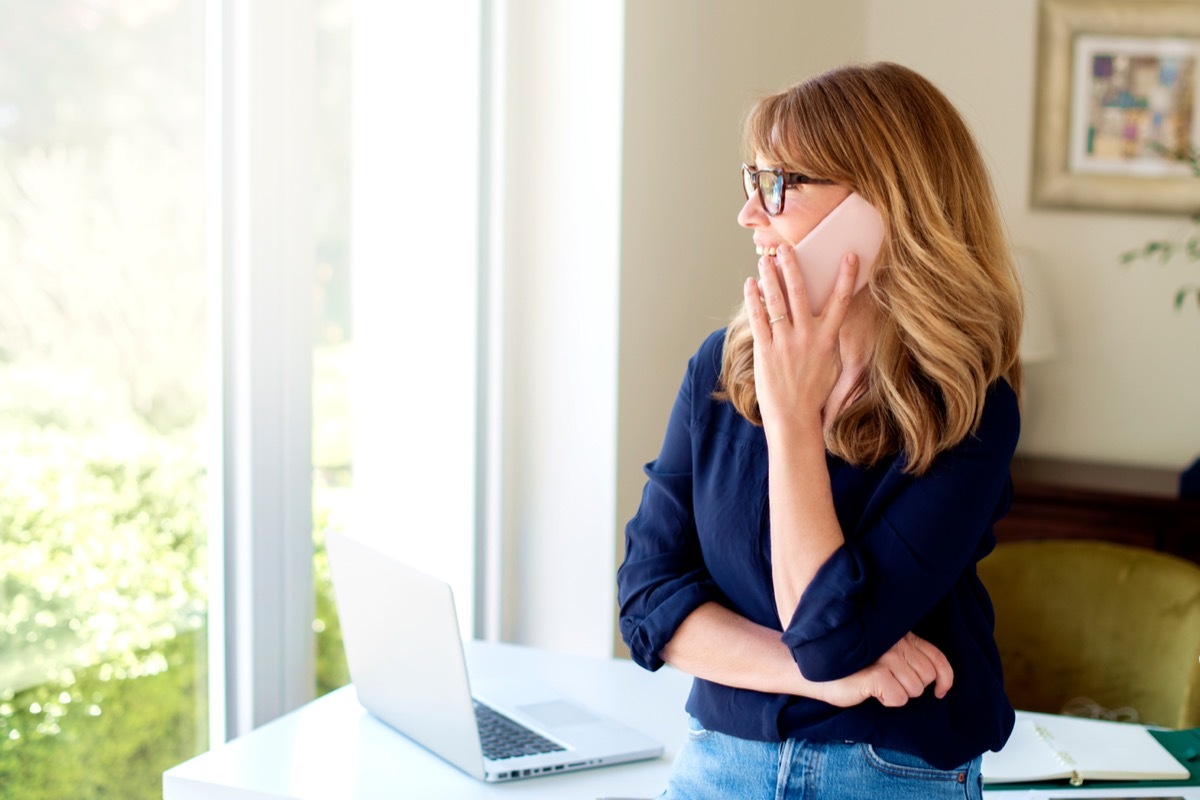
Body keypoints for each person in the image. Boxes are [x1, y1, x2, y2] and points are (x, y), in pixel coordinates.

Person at [616, 61, 1024, 800]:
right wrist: (826, 678)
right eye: (752, 181)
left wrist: (793, 420)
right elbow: (647, 604)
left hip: (889, 774)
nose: (749, 215)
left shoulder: (968, 407)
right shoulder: (721, 365)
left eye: (780, 185)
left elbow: (833, 634)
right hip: (718, 764)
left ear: (885, 204)